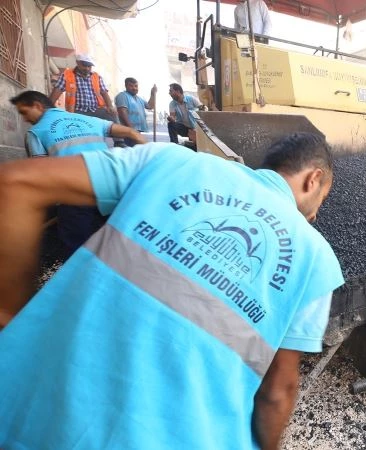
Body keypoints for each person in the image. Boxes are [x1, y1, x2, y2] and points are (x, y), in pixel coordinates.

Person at [0, 133, 344, 450]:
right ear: (313, 179)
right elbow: (278, 391)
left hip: (28, 410)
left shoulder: (170, 161)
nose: (314, 216)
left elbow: (16, 182)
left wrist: (15, 321)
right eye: (322, 200)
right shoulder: (317, 260)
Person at [10, 90, 145, 256]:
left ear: (37, 106)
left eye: (24, 112)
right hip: (111, 188)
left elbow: (40, 174)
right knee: (118, 247)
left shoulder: (36, 132)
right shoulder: (89, 120)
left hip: (75, 194)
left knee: (76, 253)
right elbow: (132, 133)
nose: (24, 119)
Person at [115, 77, 157, 146]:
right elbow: (122, 112)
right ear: (126, 86)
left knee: (135, 150)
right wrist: (131, 128)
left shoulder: (139, 99)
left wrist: (152, 94)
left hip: (135, 131)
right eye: (131, 86)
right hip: (126, 131)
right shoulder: (122, 96)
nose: (134, 88)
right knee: (127, 150)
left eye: (136, 86)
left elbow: (150, 106)